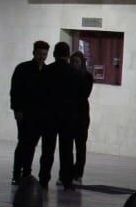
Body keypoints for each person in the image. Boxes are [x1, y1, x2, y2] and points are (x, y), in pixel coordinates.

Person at [39, 42, 82, 190]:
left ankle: (43, 179)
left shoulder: (47, 71)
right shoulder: (74, 73)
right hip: (68, 117)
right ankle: (67, 180)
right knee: (66, 150)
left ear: (54, 54)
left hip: (49, 116)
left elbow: (42, 95)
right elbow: (78, 97)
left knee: (47, 150)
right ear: (68, 55)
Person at [9, 40, 49, 185]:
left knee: (31, 144)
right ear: (34, 53)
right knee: (23, 143)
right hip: (25, 114)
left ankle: (26, 172)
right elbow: (15, 91)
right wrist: (16, 109)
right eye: (40, 53)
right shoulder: (23, 68)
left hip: (39, 115)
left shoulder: (47, 71)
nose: (42, 56)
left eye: (44, 54)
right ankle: (16, 173)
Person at [68, 51, 94, 185]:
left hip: (81, 116)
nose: (74, 64)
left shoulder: (87, 76)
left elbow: (84, 93)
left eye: (77, 62)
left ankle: (78, 174)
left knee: (80, 147)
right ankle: (66, 174)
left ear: (82, 63)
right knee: (67, 147)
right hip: (68, 115)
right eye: (72, 62)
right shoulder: (66, 75)